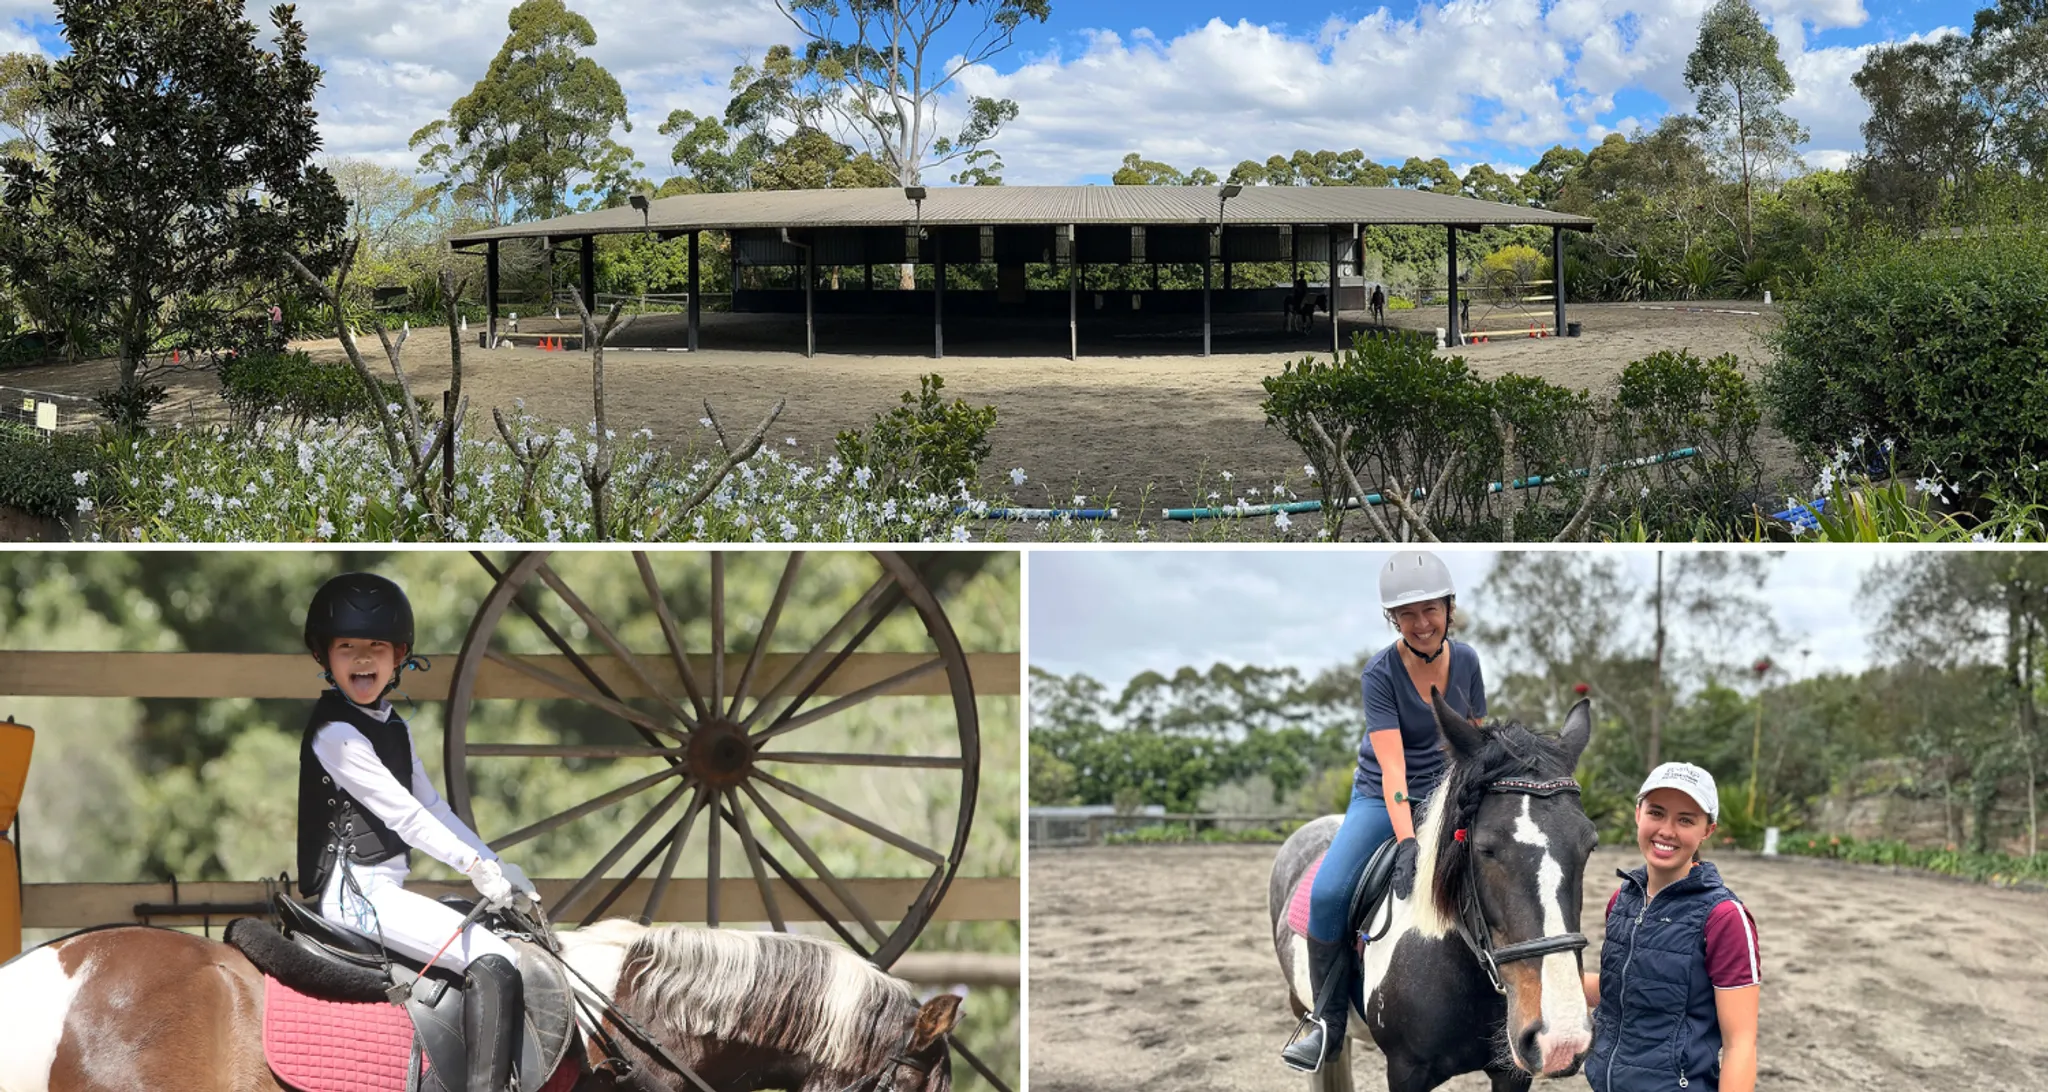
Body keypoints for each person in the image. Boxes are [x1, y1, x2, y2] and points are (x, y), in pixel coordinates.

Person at [297, 571, 541, 1092]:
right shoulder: (335, 733)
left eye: (376, 647)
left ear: (399, 655)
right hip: (356, 896)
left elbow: (433, 806)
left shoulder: (392, 727)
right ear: (324, 656)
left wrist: (493, 862)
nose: (363, 660)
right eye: (347, 647)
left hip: (384, 888)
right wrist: (473, 868)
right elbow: (403, 815)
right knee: (492, 958)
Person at [1281, 550, 1486, 1073]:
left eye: (1430, 610)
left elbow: (1475, 740)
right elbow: (1394, 770)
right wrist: (1410, 842)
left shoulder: (1467, 661)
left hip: (1448, 791)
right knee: (1328, 892)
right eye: (1407, 615)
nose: (1421, 624)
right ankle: (1326, 1021)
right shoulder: (1379, 673)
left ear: (1449, 607)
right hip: (1382, 796)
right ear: (1393, 619)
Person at [1582, 763, 1761, 1092]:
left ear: (1708, 830)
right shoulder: (1622, 900)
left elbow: (1741, 1044)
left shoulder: (1724, 917)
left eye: (1686, 820)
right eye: (1657, 812)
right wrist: (1543, 979)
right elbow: (1619, 989)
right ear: (1638, 814)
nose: (1667, 830)